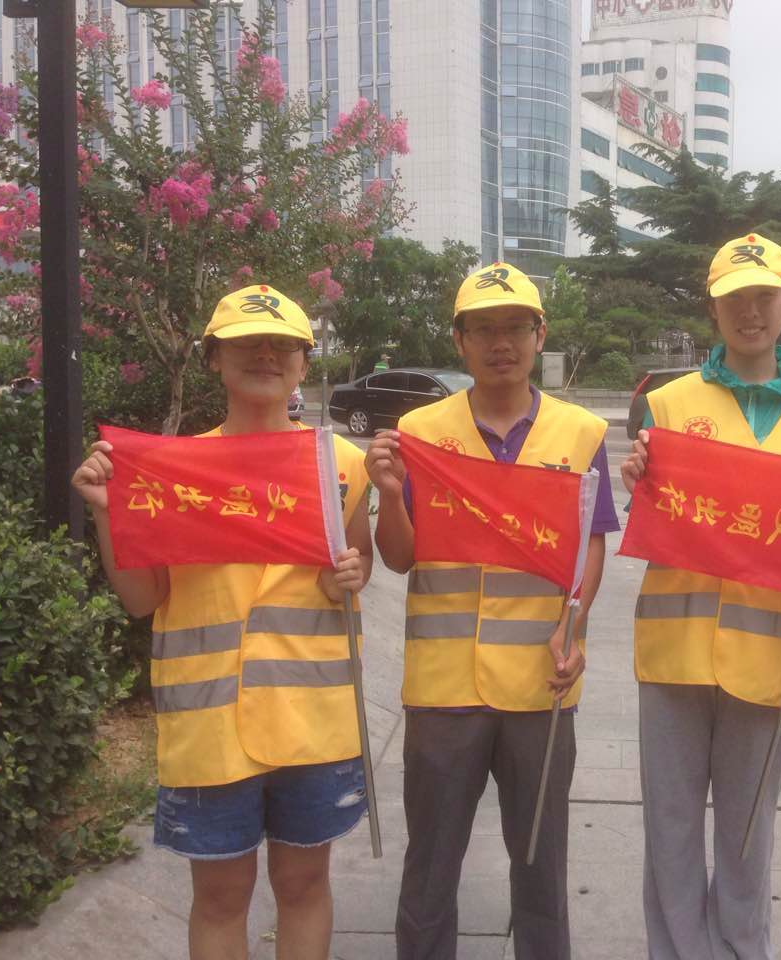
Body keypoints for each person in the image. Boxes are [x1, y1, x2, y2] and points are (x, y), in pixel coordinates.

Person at [71, 285, 373, 960]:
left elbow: (357, 567)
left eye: (282, 345)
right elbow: (143, 599)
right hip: (210, 728)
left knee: (303, 885)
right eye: (246, 343)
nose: (265, 355)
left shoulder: (341, 464)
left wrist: (350, 575)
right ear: (214, 358)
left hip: (313, 723)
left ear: (304, 361)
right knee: (219, 899)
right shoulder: (172, 470)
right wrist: (105, 512)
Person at [365, 262, 618, 960]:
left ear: (540, 335)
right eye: (483, 330)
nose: (500, 343)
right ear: (459, 340)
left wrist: (574, 628)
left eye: (515, 327)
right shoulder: (419, 430)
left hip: (541, 685)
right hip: (442, 689)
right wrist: (388, 492)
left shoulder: (581, 433)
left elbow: (592, 543)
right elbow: (399, 558)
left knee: (541, 863)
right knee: (430, 866)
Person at [620, 233, 781, 960]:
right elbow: (652, 516)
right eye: (734, 299)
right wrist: (638, 479)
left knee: (749, 830)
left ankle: (742, 949)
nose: (750, 312)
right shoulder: (664, 407)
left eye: (764, 297)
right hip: (675, 651)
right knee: (669, 824)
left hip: (771, 657)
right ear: (713, 309)